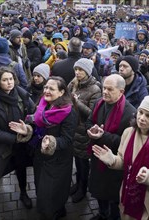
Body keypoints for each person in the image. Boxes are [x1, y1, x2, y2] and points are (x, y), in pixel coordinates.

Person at [92, 94, 149, 220]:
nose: (142, 118)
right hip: (126, 196)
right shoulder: (128, 132)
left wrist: (148, 176)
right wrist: (112, 160)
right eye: (140, 112)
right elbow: (123, 162)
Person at [10, 76, 77, 219]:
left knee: (53, 190)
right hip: (40, 156)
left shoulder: (68, 112)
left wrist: (51, 142)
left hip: (58, 159)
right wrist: (27, 130)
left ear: (61, 92)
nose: (46, 90)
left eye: (51, 88)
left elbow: (67, 139)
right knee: (41, 187)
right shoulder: (42, 105)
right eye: (46, 87)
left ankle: (55, 212)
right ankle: (49, 211)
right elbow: (35, 126)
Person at [0, 67, 35, 220]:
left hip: (22, 143)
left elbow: (33, 115)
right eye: (5, 80)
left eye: (11, 79)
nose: (9, 82)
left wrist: (27, 129)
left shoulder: (22, 95)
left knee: (21, 168)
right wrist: (14, 138)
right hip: (1, 145)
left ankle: (23, 193)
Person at [87, 74, 136, 220]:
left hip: (115, 164)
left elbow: (128, 142)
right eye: (104, 88)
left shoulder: (130, 113)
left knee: (114, 197)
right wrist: (91, 130)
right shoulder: (99, 103)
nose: (105, 92)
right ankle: (102, 214)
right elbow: (89, 121)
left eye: (110, 89)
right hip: (97, 157)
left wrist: (103, 136)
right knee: (98, 190)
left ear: (121, 91)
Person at [67, 58, 102, 203]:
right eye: (76, 69)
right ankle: (77, 184)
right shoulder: (73, 83)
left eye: (81, 70)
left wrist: (77, 102)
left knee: (83, 162)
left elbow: (92, 113)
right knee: (77, 159)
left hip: (83, 131)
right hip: (72, 128)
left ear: (87, 71)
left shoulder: (95, 89)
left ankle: (83, 188)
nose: (77, 72)